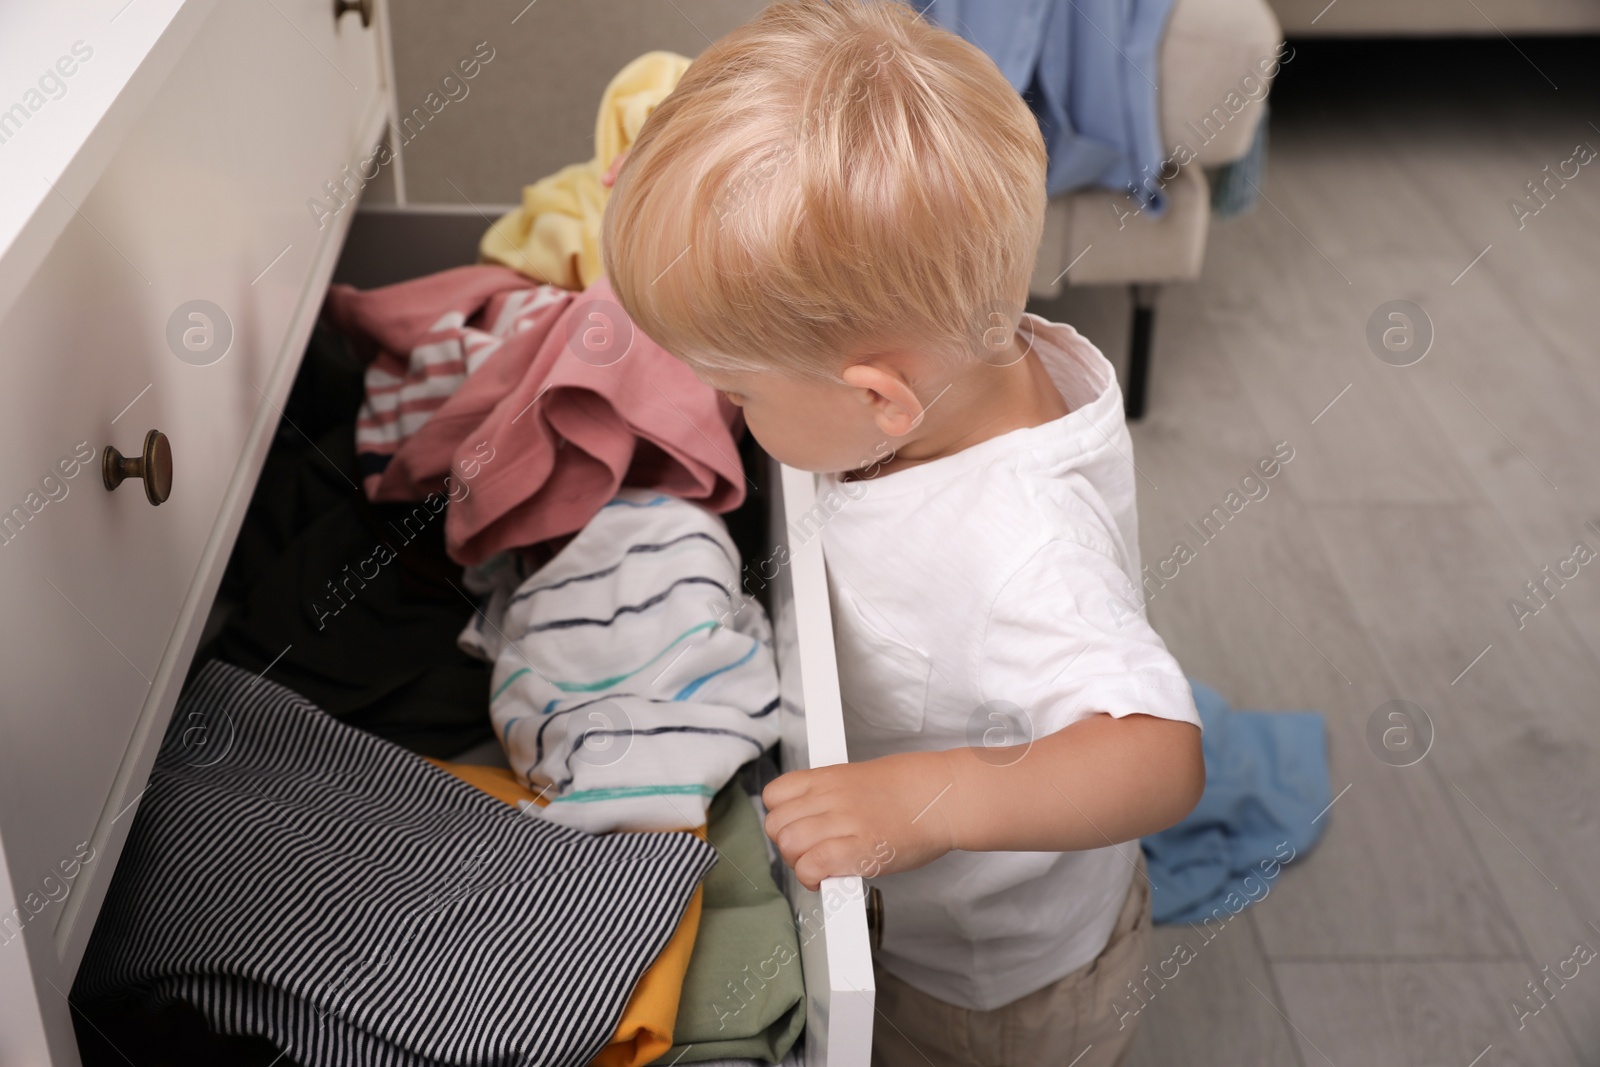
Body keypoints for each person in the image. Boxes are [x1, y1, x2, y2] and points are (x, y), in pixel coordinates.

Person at [599, 2, 1204, 1062]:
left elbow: (1160, 757)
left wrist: (928, 799)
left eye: (737, 392)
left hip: (998, 979)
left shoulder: (1020, 543)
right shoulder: (960, 363)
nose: (728, 415)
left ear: (881, 400)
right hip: (923, 894)